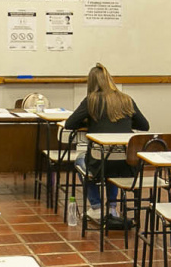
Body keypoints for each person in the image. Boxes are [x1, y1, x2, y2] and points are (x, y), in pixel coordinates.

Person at [64, 63, 149, 225]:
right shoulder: (126, 99)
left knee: (80, 160)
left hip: (99, 162)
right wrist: (123, 122)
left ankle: (96, 207)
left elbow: (70, 124)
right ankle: (112, 207)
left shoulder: (91, 101)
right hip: (127, 164)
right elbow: (144, 126)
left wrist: (89, 120)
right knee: (114, 164)